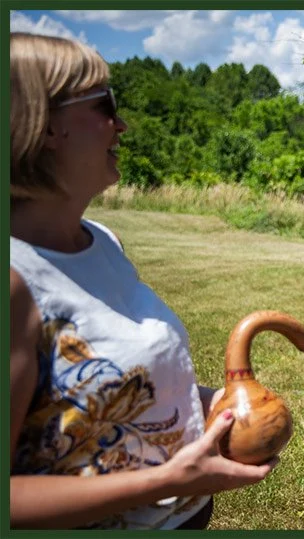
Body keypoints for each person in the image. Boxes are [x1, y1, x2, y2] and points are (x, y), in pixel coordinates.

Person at [9, 32, 277, 530]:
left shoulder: (103, 243)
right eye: (104, 105)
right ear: (43, 125)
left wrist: (219, 405)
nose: (123, 124)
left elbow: (134, 383)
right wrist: (168, 480)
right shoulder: (15, 281)